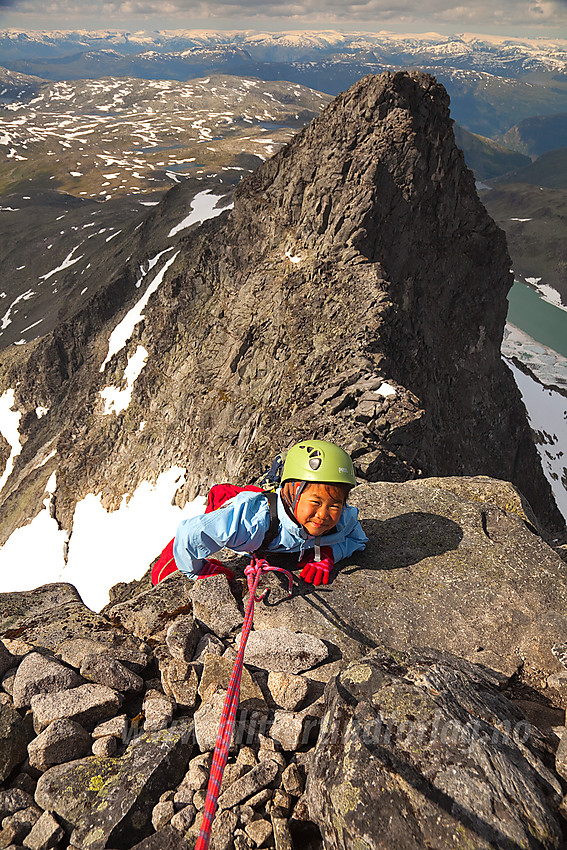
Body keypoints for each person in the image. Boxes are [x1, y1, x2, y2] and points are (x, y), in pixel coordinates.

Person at [160, 440, 367, 588]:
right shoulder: (251, 523)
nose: (323, 515)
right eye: (315, 502)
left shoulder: (341, 519)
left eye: (334, 505)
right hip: (235, 507)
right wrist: (198, 570)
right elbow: (189, 534)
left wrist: (330, 553)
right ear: (294, 491)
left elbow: (357, 537)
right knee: (160, 574)